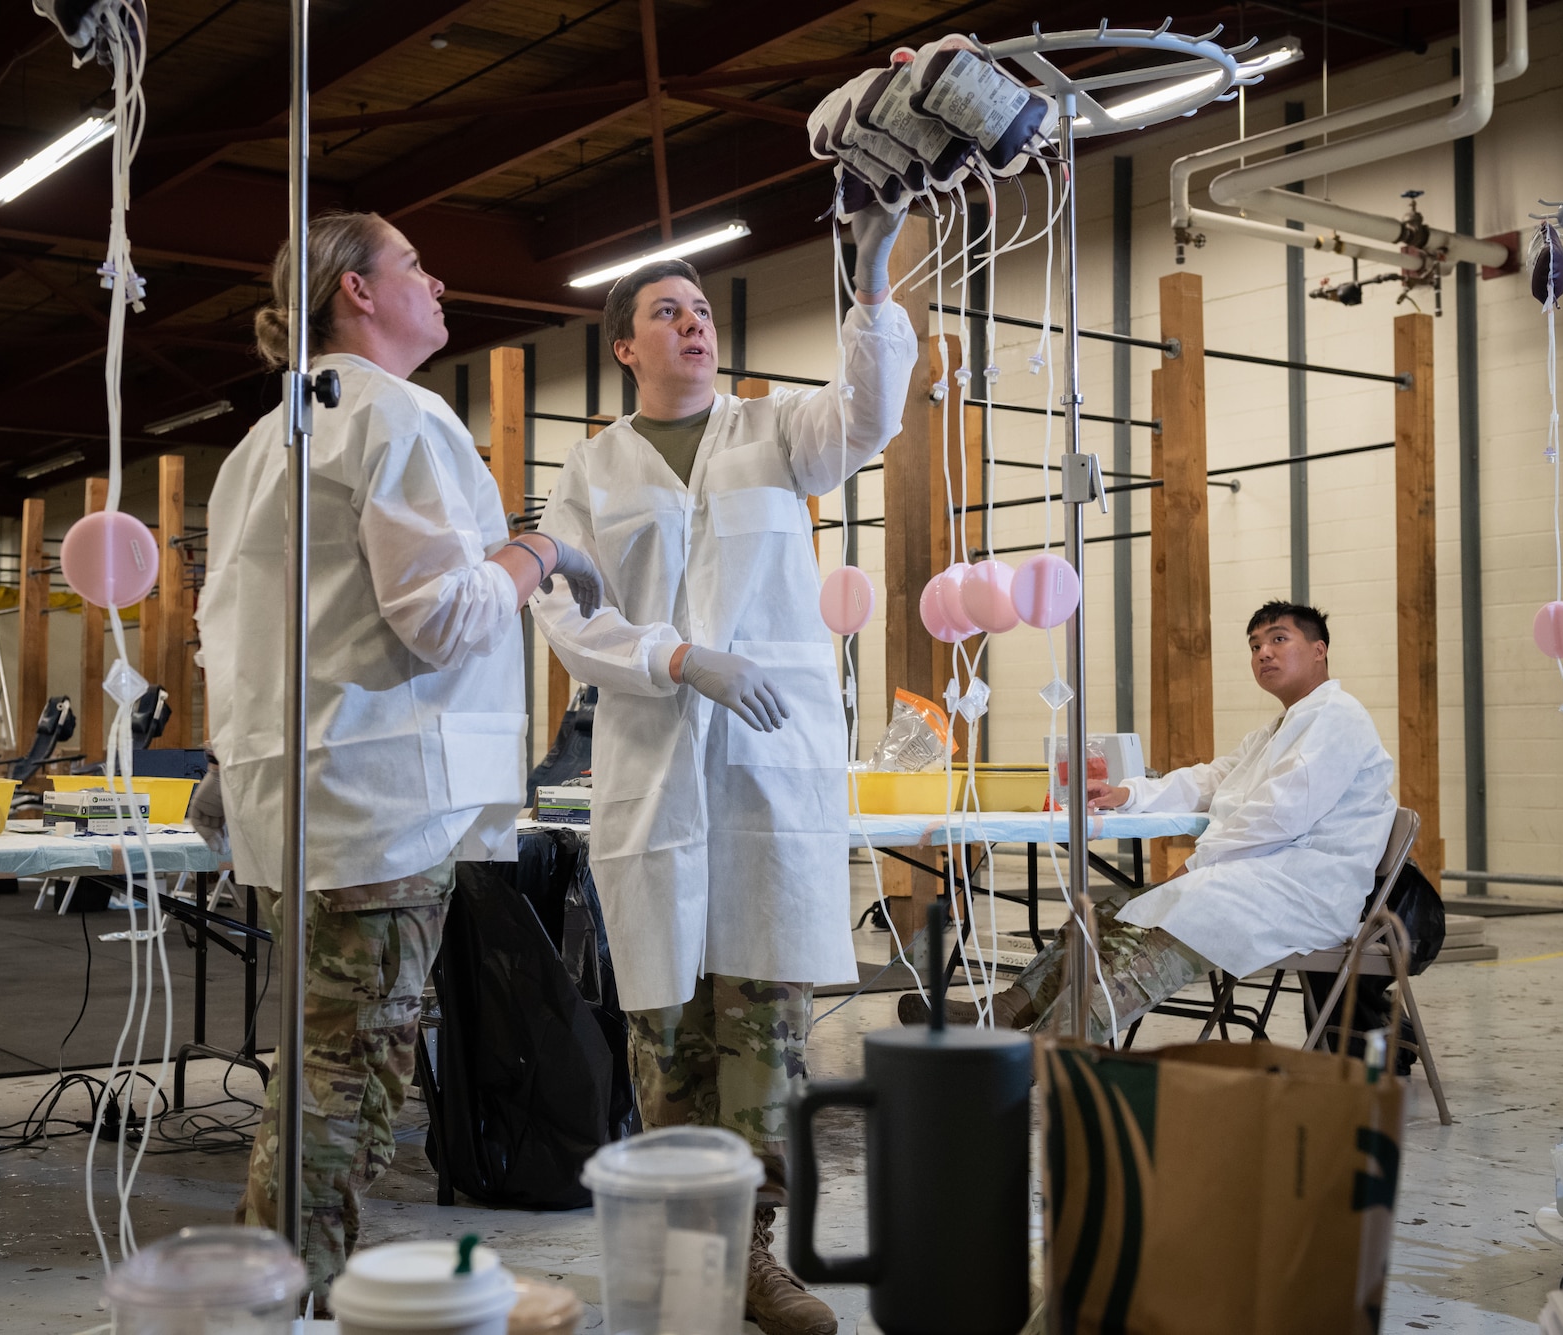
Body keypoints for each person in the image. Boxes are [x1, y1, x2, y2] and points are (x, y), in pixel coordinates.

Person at [190, 209, 601, 1304]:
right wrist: (537, 548)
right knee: (345, 1082)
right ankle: (287, 1298)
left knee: (316, 1072)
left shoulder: (263, 441)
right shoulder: (397, 420)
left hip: (306, 799)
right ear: (355, 292)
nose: (439, 282)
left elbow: (233, 626)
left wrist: (233, 764)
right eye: (413, 264)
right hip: (377, 806)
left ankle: (272, 1286)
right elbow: (447, 619)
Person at [529, 204, 918, 1335]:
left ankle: (755, 1262)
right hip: (654, 769)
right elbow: (564, 611)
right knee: (667, 1038)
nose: (693, 325)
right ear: (623, 346)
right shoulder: (590, 471)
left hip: (764, 776)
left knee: (767, 1034)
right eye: (667, 311)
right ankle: (681, 1255)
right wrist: (677, 656)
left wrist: (869, 282)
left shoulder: (775, 431)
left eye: (702, 310)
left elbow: (873, 411)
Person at [903, 600, 1396, 1044]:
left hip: (1303, 892)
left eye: (1278, 639)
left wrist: (1201, 863)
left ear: (1319, 651)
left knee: (1162, 932)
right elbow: (1213, 778)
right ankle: (1004, 1013)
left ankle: (1050, 1046)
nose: (1263, 653)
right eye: (1255, 645)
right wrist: (1130, 792)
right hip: (1257, 880)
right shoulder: (1278, 729)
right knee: (1110, 914)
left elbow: (1279, 815)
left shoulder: (1337, 718)